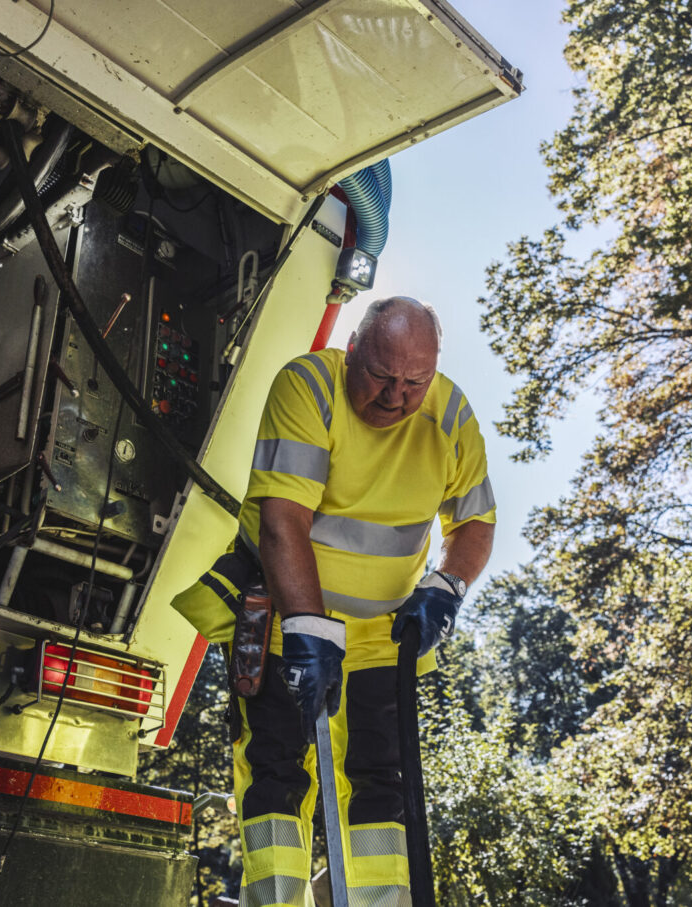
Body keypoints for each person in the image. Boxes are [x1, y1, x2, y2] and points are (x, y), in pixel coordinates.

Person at [173, 296, 495, 906]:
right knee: (277, 772)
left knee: (380, 786)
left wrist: (445, 587)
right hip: (284, 624)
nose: (396, 395)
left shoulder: (449, 416)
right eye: (380, 374)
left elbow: (475, 522)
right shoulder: (308, 388)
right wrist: (308, 629)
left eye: (413, 382)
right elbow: (282, 523)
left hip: (381, 639)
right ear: (352, 352)